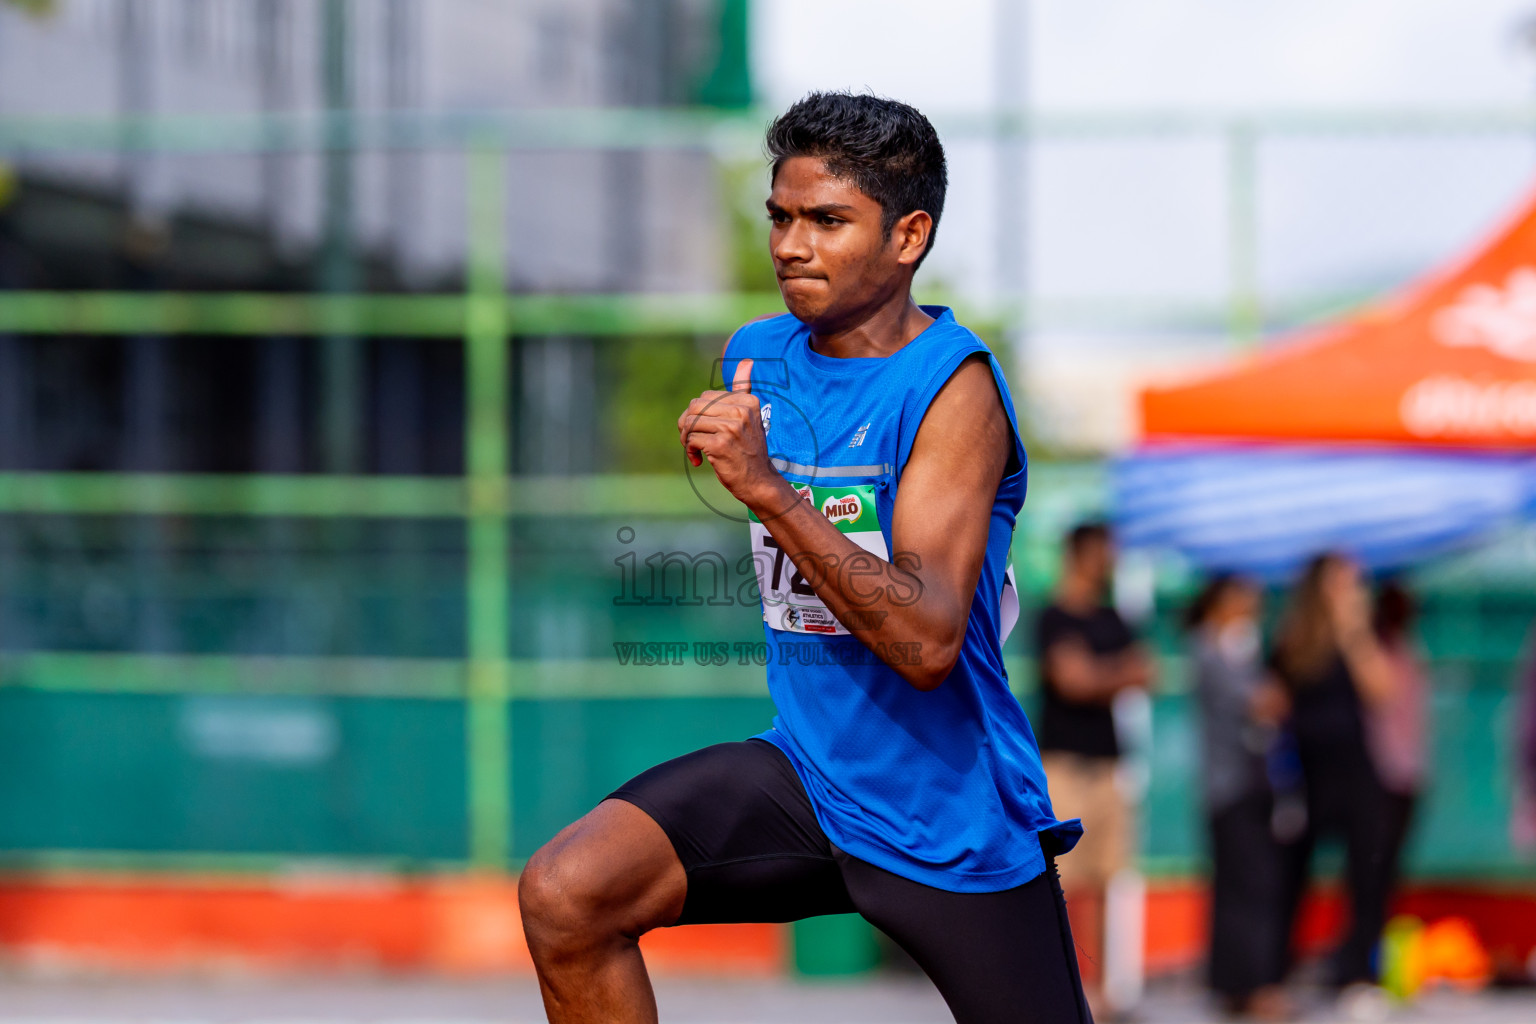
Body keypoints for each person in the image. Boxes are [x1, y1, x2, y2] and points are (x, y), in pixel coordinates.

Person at [517, 93, 1091, 1024]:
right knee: (567, 893)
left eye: (828, 221)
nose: (791, 245)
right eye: (781, 217)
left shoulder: (954, 390)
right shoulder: (755, 357)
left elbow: (929, 639)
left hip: (946, 813)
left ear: (909, 236)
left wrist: (774, 493)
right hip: (808, 777)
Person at [1033, 521, 1153, 1010]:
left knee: (1106, 883)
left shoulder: (1113, 617)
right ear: (1080, 554)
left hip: (1108, 768)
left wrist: (1098, 675)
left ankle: (1101, 997)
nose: (1110, 561)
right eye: (1103, 552)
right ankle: (1067, 991)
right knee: (1066, 887)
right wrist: (1114, 675)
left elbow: (1145, 672)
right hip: (1065, 766)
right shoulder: (1054, 616)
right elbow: (1072, 682)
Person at [1269, 553, 1397, 991]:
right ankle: (1279, 964)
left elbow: (1382, 691)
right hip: (1308, 771)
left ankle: (1358, 969)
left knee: (1365, 870)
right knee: (1293, 871)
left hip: (1356, 768)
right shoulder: (1294, 640)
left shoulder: (1360, 638)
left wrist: (1354, 632)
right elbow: (1276, 698)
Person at [1185, 574, 1291, 1020]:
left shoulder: (1233, 650)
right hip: (1232, 787)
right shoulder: (1213, 650)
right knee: (1247, 888)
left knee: (1239, 887)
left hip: (1243, 786)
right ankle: (1250, 984)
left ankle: (1234, 982)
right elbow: (1261, 702)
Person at [1366, 580, 1429, 922]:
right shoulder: (1377, 652)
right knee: (1373, 870)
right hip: (1383, 775)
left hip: (1407, 773)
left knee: (1390, 871)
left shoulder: (1408, 649)